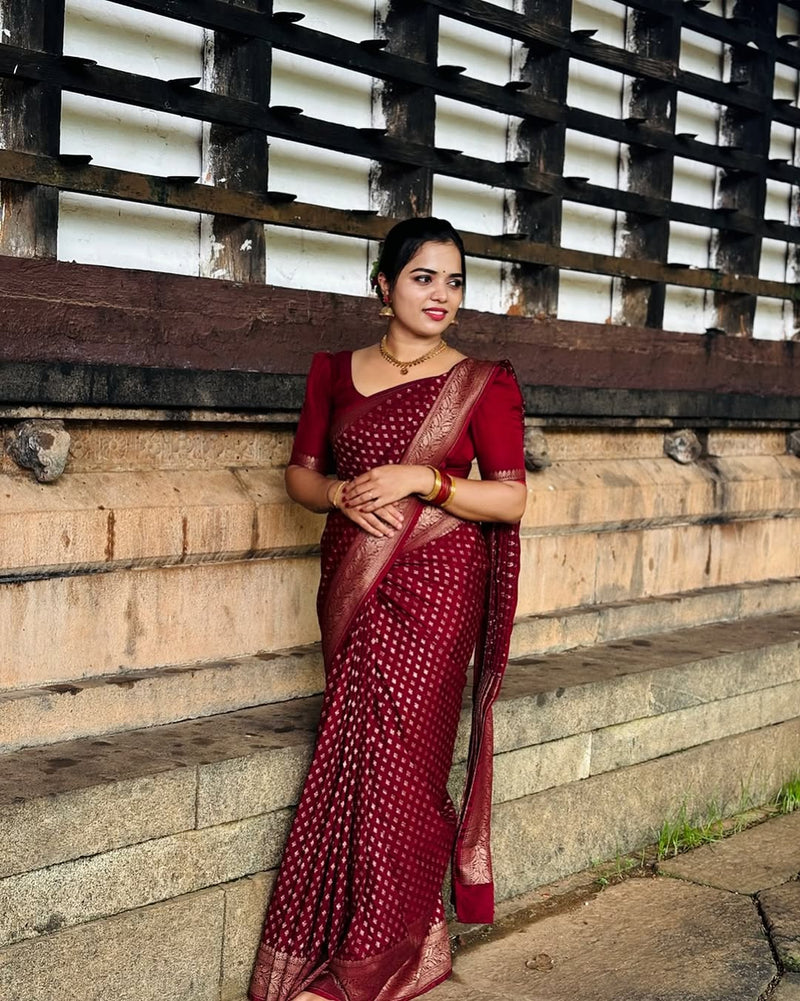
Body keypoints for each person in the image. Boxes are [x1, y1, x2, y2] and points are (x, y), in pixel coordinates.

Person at [249, 217, 527, 1001]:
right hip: (352, 586)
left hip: (437, 591)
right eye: (423, 277)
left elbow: (510, 498)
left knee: (406, 767)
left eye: (454, 280)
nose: (442, 294)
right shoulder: (333, 372)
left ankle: (380, 958)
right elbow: (301, 476)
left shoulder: (482, 382)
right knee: (356, 756)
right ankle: (345, 938)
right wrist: (338, 490)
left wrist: (422, 480)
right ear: (383, 286)